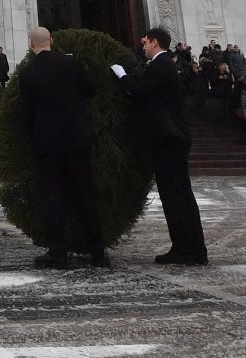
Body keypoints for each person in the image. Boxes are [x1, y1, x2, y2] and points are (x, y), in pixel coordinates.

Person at [20, 28, 108, 269]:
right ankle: (98, 253)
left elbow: (26, 113)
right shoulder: (72, 64)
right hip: (78, 140)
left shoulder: (27, 73)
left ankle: (58, 253)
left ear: (31, 44)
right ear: (52, 41)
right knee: (85, 194)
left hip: (47, 144)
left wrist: (34, 138)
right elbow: (91, 89)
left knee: (52, 197)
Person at [125, 27, 207, 266]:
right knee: (182, 194)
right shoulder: (166, 64)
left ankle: (184, 249)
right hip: (175, 136)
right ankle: (194, 249)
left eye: (145, 42)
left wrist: (121, 76)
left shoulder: (161, 65)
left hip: (167, 138)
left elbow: (140, 90)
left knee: (173, 195)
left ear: (155, 42)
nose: (142, 46)